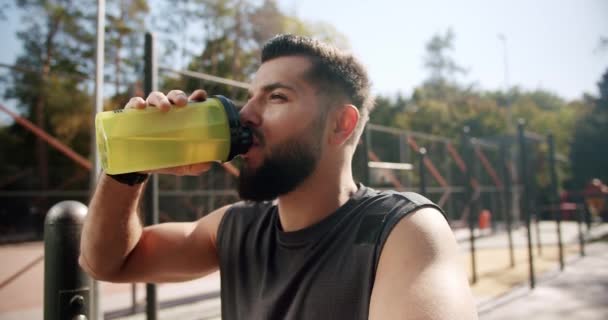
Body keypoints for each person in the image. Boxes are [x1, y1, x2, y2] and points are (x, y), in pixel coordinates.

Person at [80, 34, 477, 319]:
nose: (246, 113)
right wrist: (128, 168)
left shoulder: (399, 231)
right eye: (251, 96)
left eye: (276, 97)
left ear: (340, 124)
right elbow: (110, 263)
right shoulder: (237, 228)